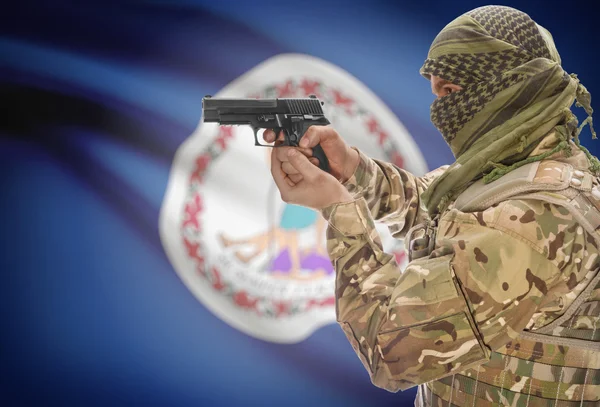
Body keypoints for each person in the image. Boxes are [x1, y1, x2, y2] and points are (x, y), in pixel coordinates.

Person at [264, 5, 599, 407]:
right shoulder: (519, 168)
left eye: (451, 92)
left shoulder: (533, 220)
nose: (440, 110)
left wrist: (340, 209)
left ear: (507, 85)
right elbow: (431, 206)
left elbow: (392, 354)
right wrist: (350, 168)